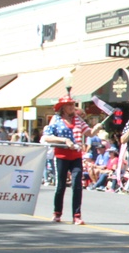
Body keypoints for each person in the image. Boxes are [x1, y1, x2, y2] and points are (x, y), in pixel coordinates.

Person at [41, 96, 102, 225]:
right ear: (62, 108)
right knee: (61, 185)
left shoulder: (78, 120)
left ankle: (77, 215)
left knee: (77, 185)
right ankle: (57, 212)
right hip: (61, 156)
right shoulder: (56, 119)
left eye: (72, 105)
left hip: (76, 156)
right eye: (69, 105)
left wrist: (96, 128)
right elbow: (47, 137)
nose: (71, 107)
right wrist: (64, 140)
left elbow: (89, 133)